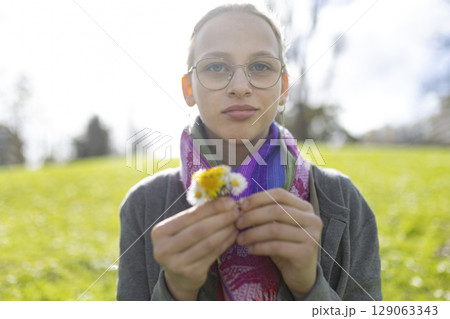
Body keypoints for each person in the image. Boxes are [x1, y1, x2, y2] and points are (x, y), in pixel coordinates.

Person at [117, 3, 382, 301]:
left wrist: (310, 286)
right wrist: (176, 290)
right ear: (189, 88)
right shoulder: (143, 205)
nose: (240, 87)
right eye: (216, 67)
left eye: (260, 66)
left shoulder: (343, 199)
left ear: (283, 87)